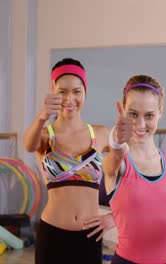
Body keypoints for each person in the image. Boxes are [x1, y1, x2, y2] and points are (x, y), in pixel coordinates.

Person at [83, 75, 166, 264]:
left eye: (149, 115)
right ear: (123, 111)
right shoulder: (118, 163)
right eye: (133, 114)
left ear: (160, 112)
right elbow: (111, 164)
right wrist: (116, 143)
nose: (140, 124)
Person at [24, 58, 109, 264]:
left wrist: (114, 217)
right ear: (53, 91)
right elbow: (28, 145)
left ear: (85, 92)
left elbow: (130, 177)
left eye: (77, 91)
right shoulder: (44, 135)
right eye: (62, 91)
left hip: (90, 236)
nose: (69, 99)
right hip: (52, 235)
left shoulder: (101, 134)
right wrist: (42, 116)